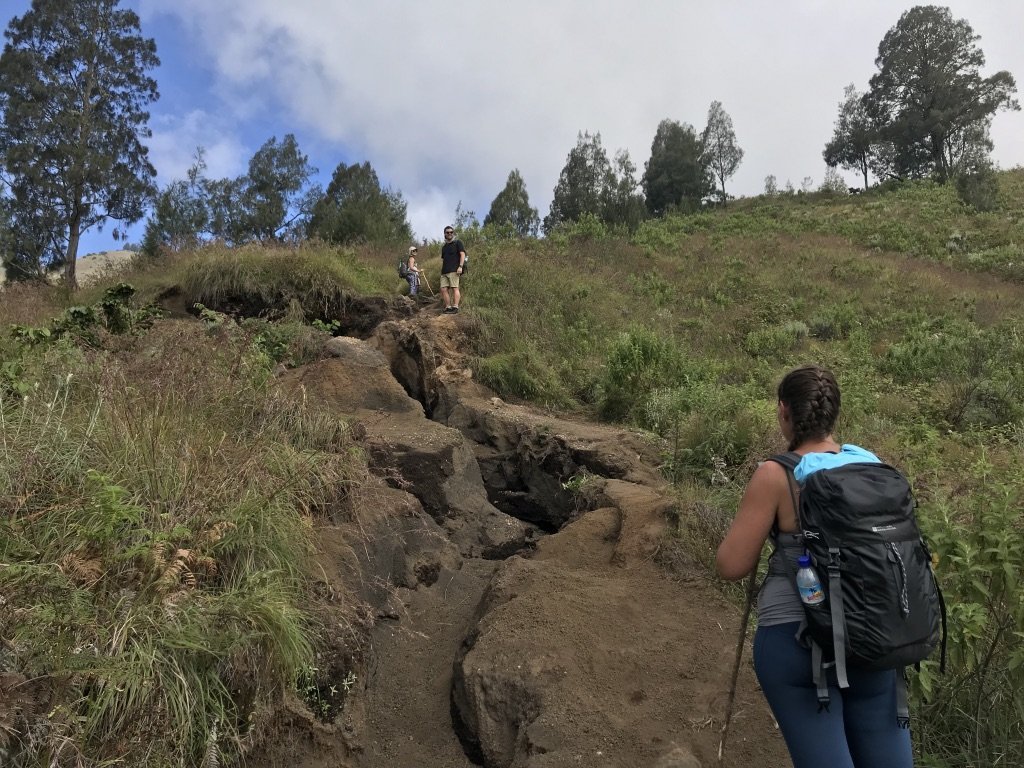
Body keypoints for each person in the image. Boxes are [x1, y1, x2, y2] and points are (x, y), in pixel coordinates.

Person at [715, 365, 913, 768]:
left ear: (783, 411)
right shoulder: (870, 466)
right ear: (833, 414)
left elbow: (731, 566)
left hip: (798, 640)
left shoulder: (776, 474)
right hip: (874, 639)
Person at [439, 225, 465, 314]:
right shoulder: (444, 247)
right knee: (443, 289)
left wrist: (460, 266)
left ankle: (455, 307)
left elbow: (462, 254)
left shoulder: (458, 243)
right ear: (444, 234)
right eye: (447, 232)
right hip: (444, 271)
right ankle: (448, 307)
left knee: (455, 288)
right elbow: (444, 259)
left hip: (454, 269)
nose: (449, 234)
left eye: (451, 232)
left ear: (453, 233)